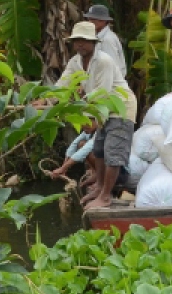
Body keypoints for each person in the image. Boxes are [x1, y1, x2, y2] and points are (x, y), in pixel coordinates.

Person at [55, 22, 138, 210]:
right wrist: (46, 100)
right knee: (99, 149)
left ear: (93, 42)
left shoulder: (104, 61)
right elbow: (63, 83)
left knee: (113, 153)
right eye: (77, 41)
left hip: (120, 109)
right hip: (101, 110)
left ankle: (106, 196)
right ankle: (100, 187)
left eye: (84, 41)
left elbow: (103, 93)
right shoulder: (75, 62)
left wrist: (92, 119)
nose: (80, 45)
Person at [85, 5, 127, 79]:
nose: (90, 22)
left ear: (103, 21)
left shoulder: (107, 39)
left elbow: (112, 66)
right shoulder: (99, 36)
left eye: (94, 19)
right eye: (89, 19)